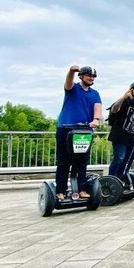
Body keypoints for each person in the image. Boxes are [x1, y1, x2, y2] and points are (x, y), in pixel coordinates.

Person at [55, 65, 102, 201]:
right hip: (66, 128)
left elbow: (97, 108)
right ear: (81, 76)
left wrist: (96, 120)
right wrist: (71, 71)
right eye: (88, 75)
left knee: (82, 161)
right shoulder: (73, 88)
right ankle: (60, 191)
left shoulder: (95, 93)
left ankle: (81, 189)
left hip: (85, 130)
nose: (91, 78)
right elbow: (68, 83)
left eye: (93, 76)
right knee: (64, 161)